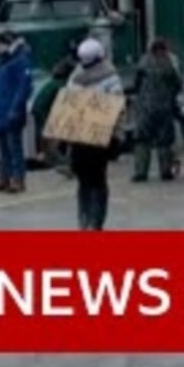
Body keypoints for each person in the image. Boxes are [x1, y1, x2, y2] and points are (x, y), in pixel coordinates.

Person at [68, 39, 124, 231]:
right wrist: (118, 134)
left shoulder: (75, 78)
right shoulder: (110, 77)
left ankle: (84, 221)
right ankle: (96, 222)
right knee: (98, 181)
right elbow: (118, 108)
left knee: (84, 181)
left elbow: (68, 108)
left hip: (78, 138)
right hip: (100, 137)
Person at [0, 31, 33, 194]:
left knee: (14, 147)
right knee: (3, 147)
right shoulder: (2, 62)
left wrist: (16, 108)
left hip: (11, 111)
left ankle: (18, 179)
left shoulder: (20, 61)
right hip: (0, 110)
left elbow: (24, 87)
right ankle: (4, 177)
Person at [130, 39, 184, 183]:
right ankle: (165, 171)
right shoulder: (169, 64)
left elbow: (136, 84)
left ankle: (140, 172)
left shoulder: (143, 62)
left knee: (142, 141)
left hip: (145, 108)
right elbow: (178, 85)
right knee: (164, 141)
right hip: (164, 108)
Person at [33, 56, 77, 178]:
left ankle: (59, 161)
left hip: (42, 111)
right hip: (47, 113)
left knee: (50, 141)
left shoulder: (52, 83)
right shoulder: (62, 85)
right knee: (62, 141)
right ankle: (67, 164)